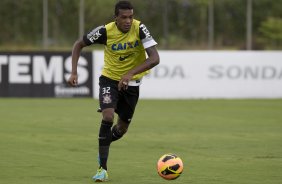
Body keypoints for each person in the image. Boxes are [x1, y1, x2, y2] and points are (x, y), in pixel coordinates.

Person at [68, 0, 159, 182]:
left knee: (122, 129)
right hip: (109, 80)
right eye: (124, 17)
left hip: (132, 84)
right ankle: (102, 169)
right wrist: (74, 72)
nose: (128, 21)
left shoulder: (140, 28)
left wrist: (130, 74)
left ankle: (103, 147)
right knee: (108, 116)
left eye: (130, 17)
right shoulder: (105, 31)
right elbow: (79, 44)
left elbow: (155, 58)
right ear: (115, 18)